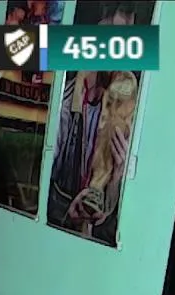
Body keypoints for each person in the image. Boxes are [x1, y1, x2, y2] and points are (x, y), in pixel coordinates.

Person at [47, 2, 142, 242]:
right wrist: (67, 214)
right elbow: (38, 183)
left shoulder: (129, 109)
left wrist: (118, 175)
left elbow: (120, 224)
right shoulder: (63, 102)